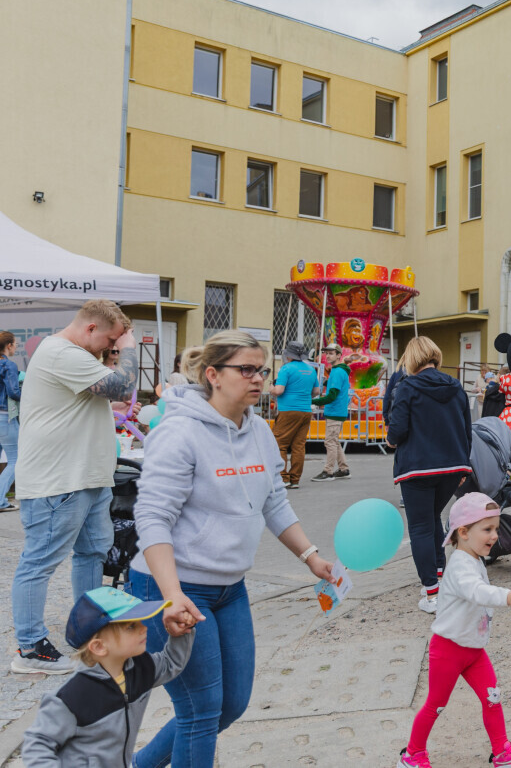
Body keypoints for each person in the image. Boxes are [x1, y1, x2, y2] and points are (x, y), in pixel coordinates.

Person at [127, 330, 334, 768]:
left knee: (231, 704)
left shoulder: (258, 429)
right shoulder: (179, 431)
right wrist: (171, 595)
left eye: (262, 370)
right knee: (200, 711)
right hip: (172, 588)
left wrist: (311, 556)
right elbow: (152, 518)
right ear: (213, 375)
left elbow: (274, 501)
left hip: (229, 589)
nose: (258, 379)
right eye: (246, 370)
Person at [11, 300, 139, 674]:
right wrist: (130, 347)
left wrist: (109, 412)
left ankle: (88, 631)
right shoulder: (61, 352)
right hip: (59, 481)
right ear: (90, 328)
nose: (112, 348)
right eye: (110, 341)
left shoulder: (75, 355)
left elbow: (84, 402)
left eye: (117, 345)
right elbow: (122, 385)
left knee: (92, 554)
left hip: (87, 478)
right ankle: (29, 649)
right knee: (39, 561)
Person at [398, 492, 511, 768]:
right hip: (448, 650)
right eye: (487, 529)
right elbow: (477, 591)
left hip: (473, 649)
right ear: (463, 532)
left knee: (492, 697)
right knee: (436, 705)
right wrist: (507, 596)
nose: (494, 536)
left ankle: (502, 752)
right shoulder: (461, 564)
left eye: (495, 529)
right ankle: (413, 754)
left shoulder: (474, 557)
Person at [21, 586, 194, 767]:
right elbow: (37, 746)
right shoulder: (72, 697)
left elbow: (170, 663)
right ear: (99, 646)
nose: (144, 628)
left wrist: (181, 633)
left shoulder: (141, 667)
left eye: (140, 621)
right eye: (131, 626)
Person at [387, 336, 473, 615]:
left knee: (420, 527)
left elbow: (397, 429)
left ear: (411, 359)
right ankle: (439, 577)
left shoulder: (407, 386)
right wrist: (464, 464)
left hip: (418, 466)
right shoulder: (456, 387)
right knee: (433, 519)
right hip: (453, 466)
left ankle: (432, 592)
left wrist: (390, 440)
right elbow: (466, 428)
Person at [270, 340, 319, 489]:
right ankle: (295, 479)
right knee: (299, 446)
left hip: (288, 411)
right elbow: (316, 391)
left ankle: (283, 477)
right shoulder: (311, 369)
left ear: (288, 355)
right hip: (305, 411)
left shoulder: (286, 369)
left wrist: (271, 388)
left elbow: (279, 390)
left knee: (280, 444)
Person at [311, 343, 352, 481]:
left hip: (335, 411)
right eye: (326, 353)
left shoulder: (338, 372)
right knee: (334, 441)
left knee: (330, 442)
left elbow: (332, 396)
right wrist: (325, 383)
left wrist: (313, 401)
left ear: (339, 355)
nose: (327, 356)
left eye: (331, 353)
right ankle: (344, 469)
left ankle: (328, 471)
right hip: (337, 411)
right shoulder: (337, 371)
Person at [0, 332, 22, 513]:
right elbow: (14, 392)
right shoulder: (8, 365)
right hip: (5, 416)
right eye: (15, 344)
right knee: (16, 460)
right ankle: (0, 501)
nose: (16, 347)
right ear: (8, 346)